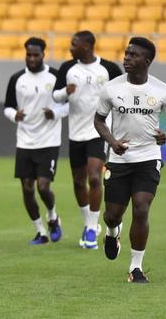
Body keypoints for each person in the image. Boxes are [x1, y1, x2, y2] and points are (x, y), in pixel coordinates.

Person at [94, 37, 166, 283]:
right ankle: (112, 232)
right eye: (126, 53)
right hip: (119, 160)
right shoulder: (111, 88)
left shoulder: (163, 91)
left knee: (141, 208)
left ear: (147, 61)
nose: (127, 58)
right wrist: (112, 143)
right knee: (112, 215)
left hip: (148, 157)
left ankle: (135, 268)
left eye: (133, 55)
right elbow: (99, 120)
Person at [53, 31, 122, 249]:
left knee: (94, 176)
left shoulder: (109, 68)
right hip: (75, 133)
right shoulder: (67, 68)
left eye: (74, 44)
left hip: (98, 131)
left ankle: (92, 228)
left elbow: (123, 92)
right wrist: (65, 91)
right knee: (77, 181)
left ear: (87, 45)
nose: (70, 47)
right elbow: (55, 96)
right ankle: (87, 222)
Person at [4, 37, 68, 245]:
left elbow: (69, 105)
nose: (31, 59)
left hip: (48, 140)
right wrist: (14, 115)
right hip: (24, 141)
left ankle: (52, 216)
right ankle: (40, 231)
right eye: (28, 55)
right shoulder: (16, 78)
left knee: (42, 186)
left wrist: (55, 113)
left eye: (35, 55)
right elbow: (7, 106)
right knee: (27, 188)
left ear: (43, 54)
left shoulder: (56, 76)